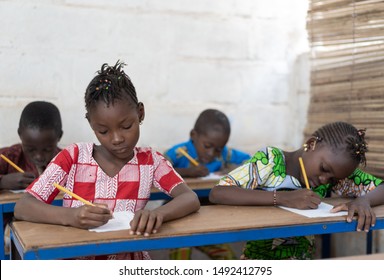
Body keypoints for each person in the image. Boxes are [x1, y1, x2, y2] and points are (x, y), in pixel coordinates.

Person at [14, 61, 200, 260]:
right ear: (91, 124)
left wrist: (159, 214)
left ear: (140, 113)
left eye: (126, 126)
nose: (117, 138)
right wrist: (71, 217)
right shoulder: (73, 157)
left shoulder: (151, 161)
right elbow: (24, 206)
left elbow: (189, 198)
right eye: (103, 131)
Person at [209, 121, 384, 259]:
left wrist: (363, 200)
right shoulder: (271, 160)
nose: (324, 180)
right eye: (324, 169)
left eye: (333, 179)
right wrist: (281, 198)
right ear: (311, 144)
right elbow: (218, 193)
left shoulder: (330, 177)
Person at [165, 108, 251, 260]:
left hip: (206, 216)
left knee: (228, 257)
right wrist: (188, 172)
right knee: (180, 257)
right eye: (207, 146)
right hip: (178, 216)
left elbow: (250, 161)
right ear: (193, 136)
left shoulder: (225, 154)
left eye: (218, 149)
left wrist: (230, 169)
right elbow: (159, 168)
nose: (212, 154)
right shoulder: (180, 151)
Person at [0, 101, 63, 190]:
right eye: (31, 149)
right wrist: (2, 182)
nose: (39, 156)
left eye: (47, 149)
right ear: (20, 134)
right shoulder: (8, 156)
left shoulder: (67, 161)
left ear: (59, 136)